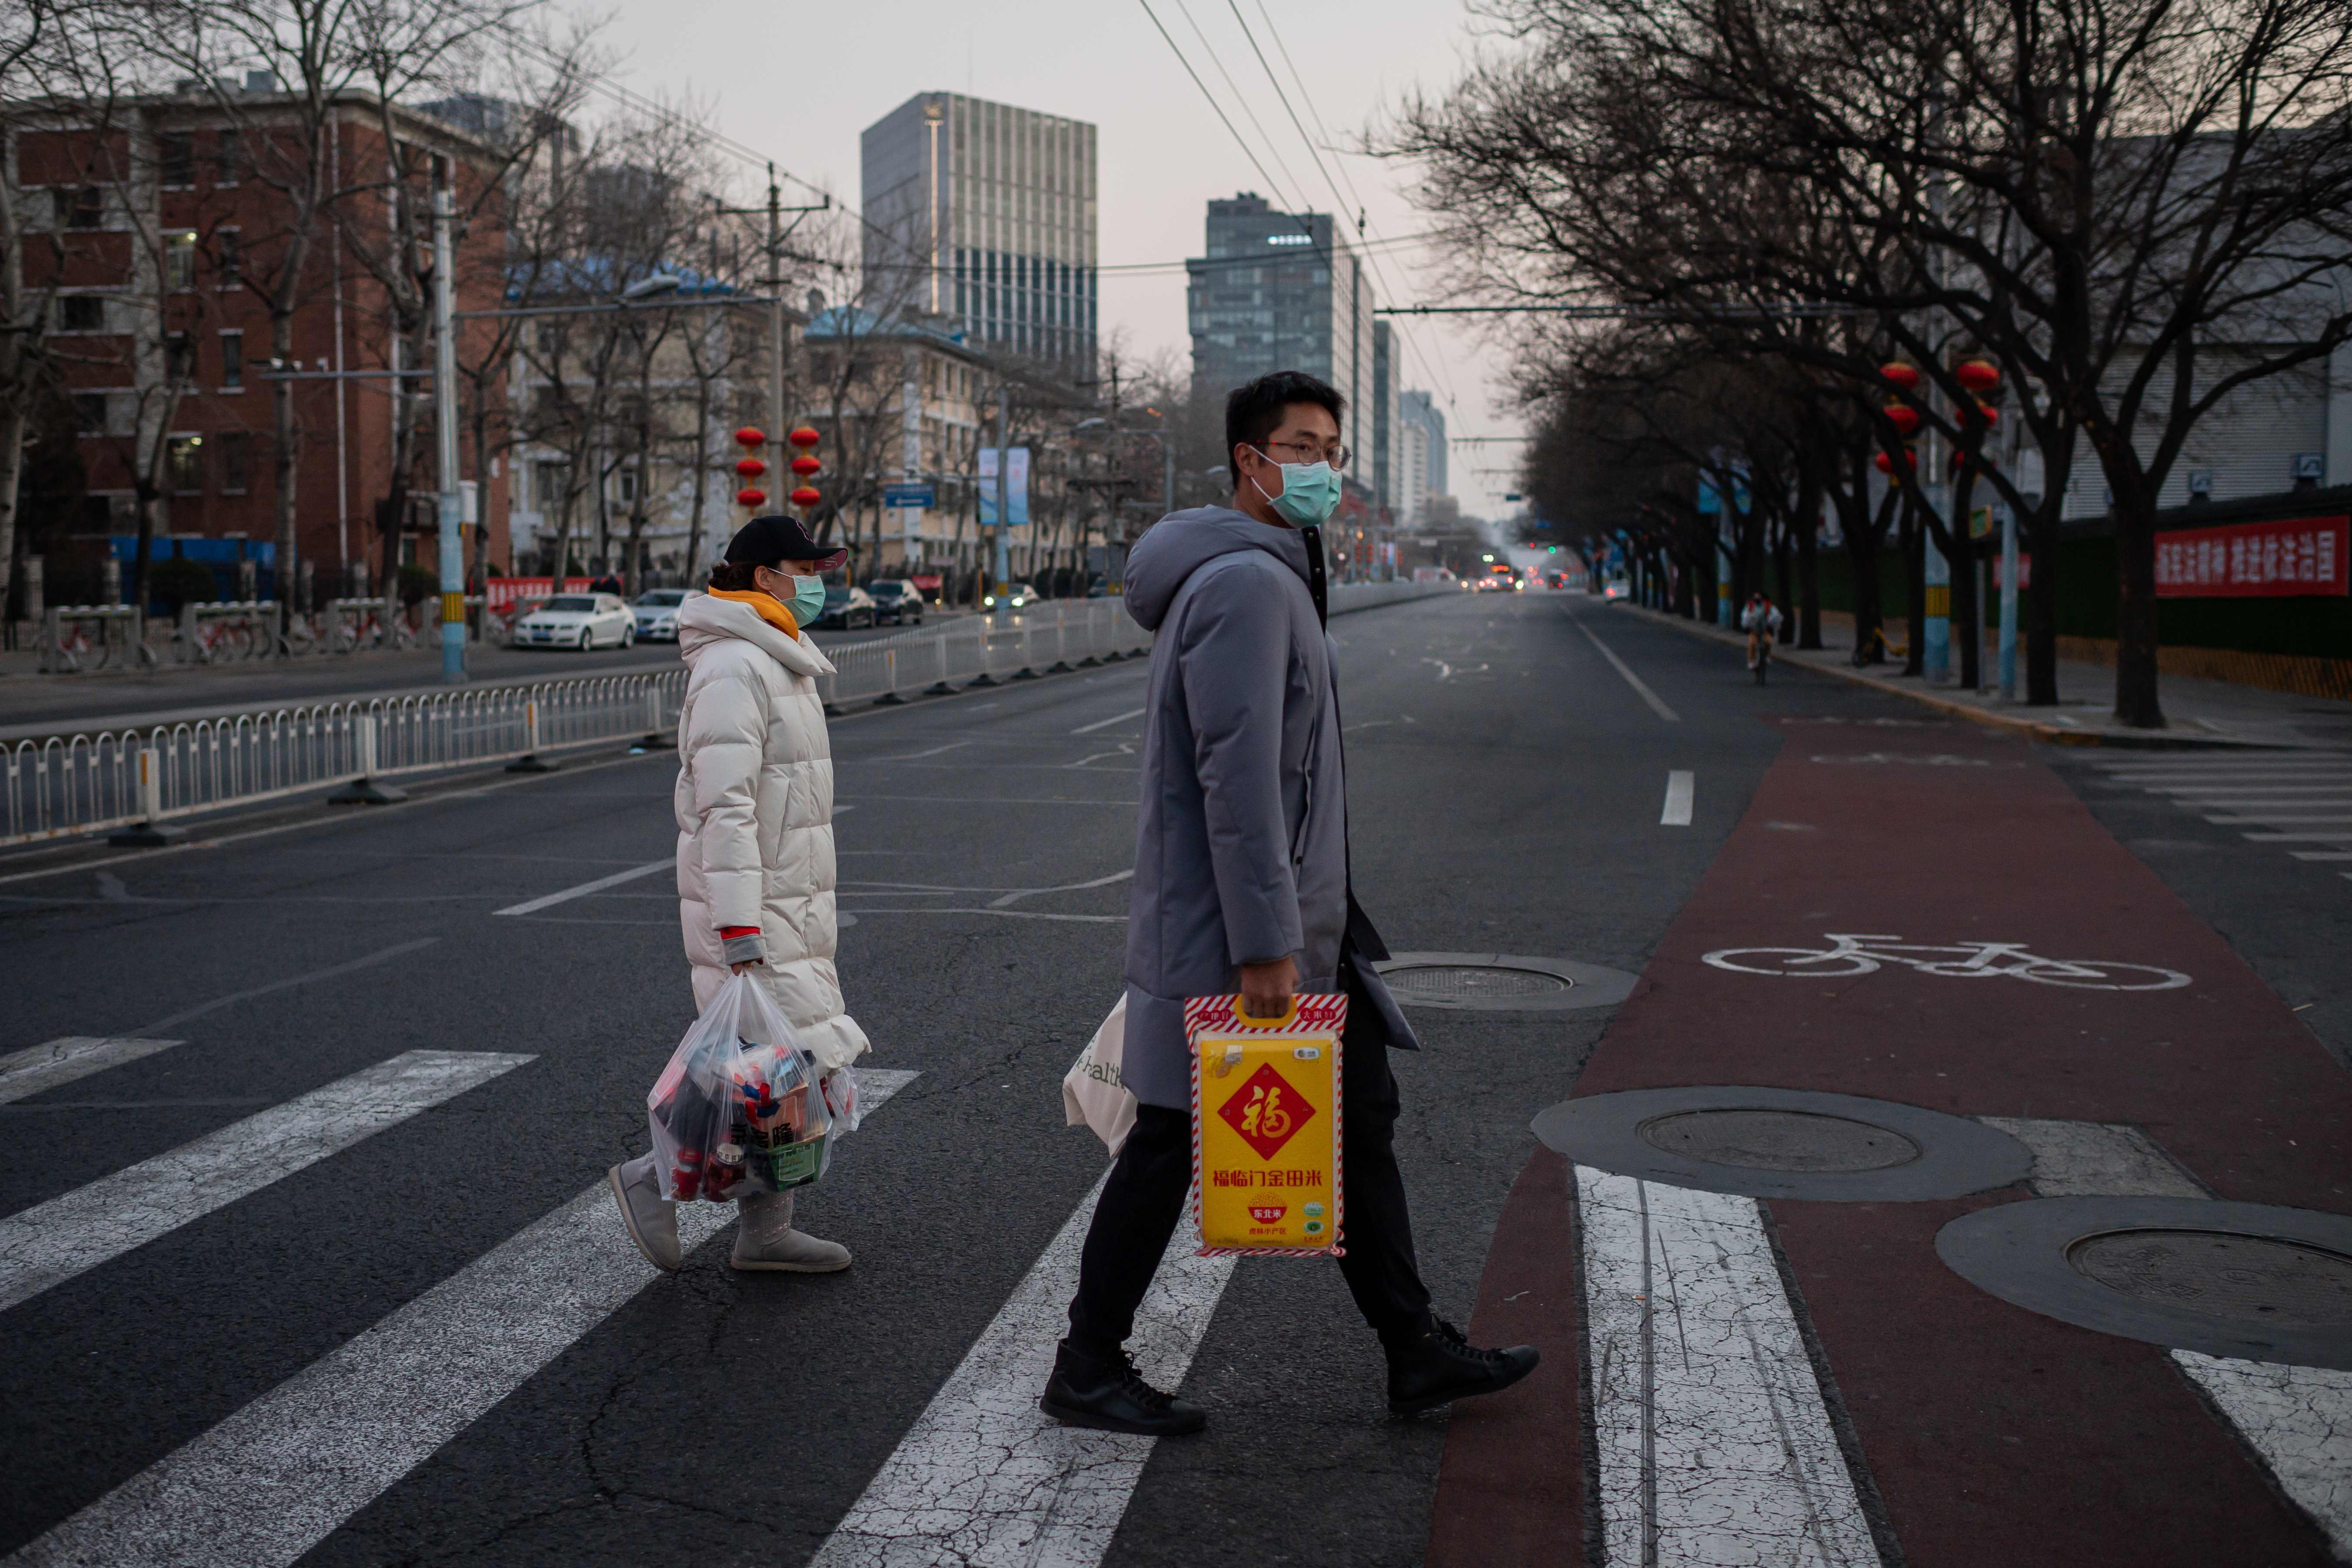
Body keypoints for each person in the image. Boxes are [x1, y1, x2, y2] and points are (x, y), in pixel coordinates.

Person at [1039, 370, 1539, 1438]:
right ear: (1249, 460)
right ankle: (1085, 1364)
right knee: (1170, 1139)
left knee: (1356, 1121)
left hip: (1297, 923)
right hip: (1238, 936)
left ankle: (1411, 1347)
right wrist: (1266, 945)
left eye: (1332, 450)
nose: (1323, 469)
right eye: (1302, 448)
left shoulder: (1265, 572)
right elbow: (1238, 776)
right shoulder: (1244, 586)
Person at [609, 515, 870, 1274]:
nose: (815, 583)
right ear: (764, 576)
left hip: (790, 894)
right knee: (768, 1061)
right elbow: (725, 807)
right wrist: (737, 926)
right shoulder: (734, 665)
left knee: (779, 1069)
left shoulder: (776, 654)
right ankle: (649, 1179)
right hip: (757, 905)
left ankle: (766, 1231)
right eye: (804, 569)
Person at [1741, 591, 1783, 680]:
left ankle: (1767, 656)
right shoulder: (1750, 607)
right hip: (1754, 631)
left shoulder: (1769, 607)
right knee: (1752, 644)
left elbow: (1776, 616)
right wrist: (1748, 622)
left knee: (1768, 641)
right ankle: (1752, 661)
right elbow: (1745, 616)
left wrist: (1771, 621)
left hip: (1765, 630)